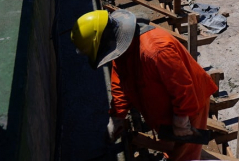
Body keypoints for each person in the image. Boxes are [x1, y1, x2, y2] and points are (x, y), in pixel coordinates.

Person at [71, 10, 218, 161]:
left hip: (190, 104)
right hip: (165, 102)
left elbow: (183, 88)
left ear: (107, 41)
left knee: (185, 154)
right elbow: (121, 84)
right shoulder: (122, 50)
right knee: (174, 146)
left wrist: (181, 118)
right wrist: (117, 116)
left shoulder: (156, 50)